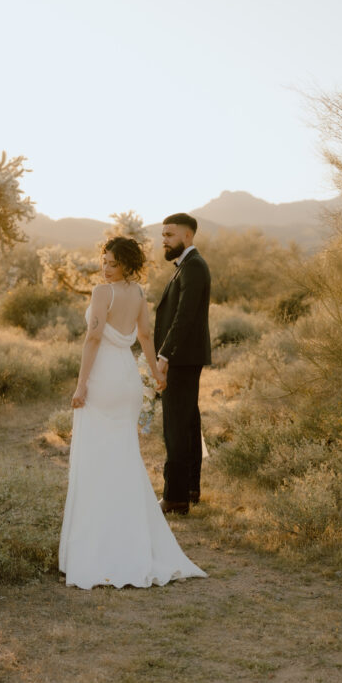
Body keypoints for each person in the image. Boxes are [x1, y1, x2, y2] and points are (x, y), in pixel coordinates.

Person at [59, 235, 206, 589]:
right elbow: (145, 336)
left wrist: (81, 386)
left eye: (111, 262)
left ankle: (101, 546)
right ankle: (129, 539)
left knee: (96, 458)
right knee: (123, 455)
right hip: (126, 379)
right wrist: (155, 374)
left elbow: (92, 339)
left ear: (124, 264)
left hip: (104, 379)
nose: (104, 268)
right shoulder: (138, 293)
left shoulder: (101, 293)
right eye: (103, 261)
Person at [155, 213, 211, 515]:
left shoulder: (194, 267)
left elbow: (184, 317)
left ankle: (175, 496)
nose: (164, 240)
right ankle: (189, 489)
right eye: (163, 235)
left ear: (187, 237)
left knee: (176, 426)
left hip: (181, 359)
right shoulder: (189, 266)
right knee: (187, 424)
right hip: (185, 358)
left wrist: (164, 355)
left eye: (169, 235)